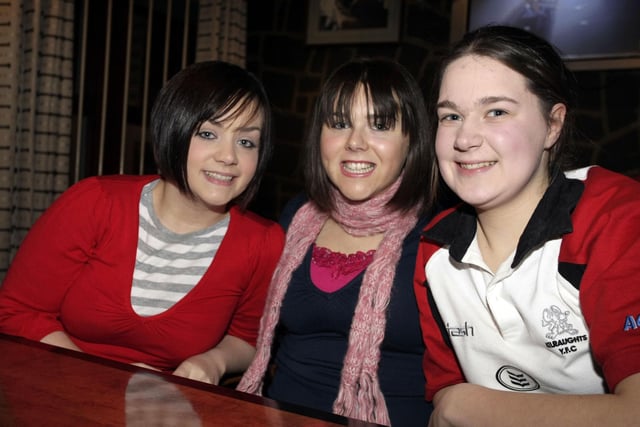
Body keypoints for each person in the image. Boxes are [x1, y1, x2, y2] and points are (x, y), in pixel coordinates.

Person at [0, 60, 285, 385]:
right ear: (172, 129)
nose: (229, 156)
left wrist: (213, 362)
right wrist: (102, 379)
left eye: (246, 142)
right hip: (55, 387)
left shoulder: (264, 242)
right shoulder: (94, 202)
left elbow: (248, 339)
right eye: (208, 133)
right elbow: (18, 311)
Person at [414, 25, 640, 426]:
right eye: (451, 115)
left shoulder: (615, 217)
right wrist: (454, 403)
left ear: (552, 125)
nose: (464, 138)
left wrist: (465, 406)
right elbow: (444, 390)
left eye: (496, 111)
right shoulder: (433, 251)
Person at [238, 57, 437, 426]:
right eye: (340, 124)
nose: (355, 143)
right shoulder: (296, 218)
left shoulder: (441, 236)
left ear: (412, 141)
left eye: (380, 125)